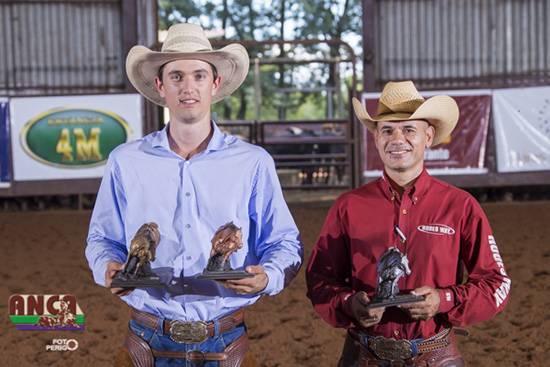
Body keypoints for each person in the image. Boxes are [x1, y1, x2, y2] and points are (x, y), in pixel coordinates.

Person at [85, 23, 303, 367]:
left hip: (226, 339)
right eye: (176, 76)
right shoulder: (125, 162)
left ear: (215, 84)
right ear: (160, 85)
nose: (188, 87)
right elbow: (101, 237)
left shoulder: (253, 163)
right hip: (148, 337)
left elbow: (285, 243)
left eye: (199, 75)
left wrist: (267, 277)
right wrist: (107, 268)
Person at [306, 81, 511, 366]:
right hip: (364, 355)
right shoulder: (348, 207)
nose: (397, 138)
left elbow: (497, 284)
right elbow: (319, 279)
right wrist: (349, 304)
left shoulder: (460, 206)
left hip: (435, 355)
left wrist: (444, 299)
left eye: (409, 129)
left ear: (428, 137)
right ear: (376, 139)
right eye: (387, 130)